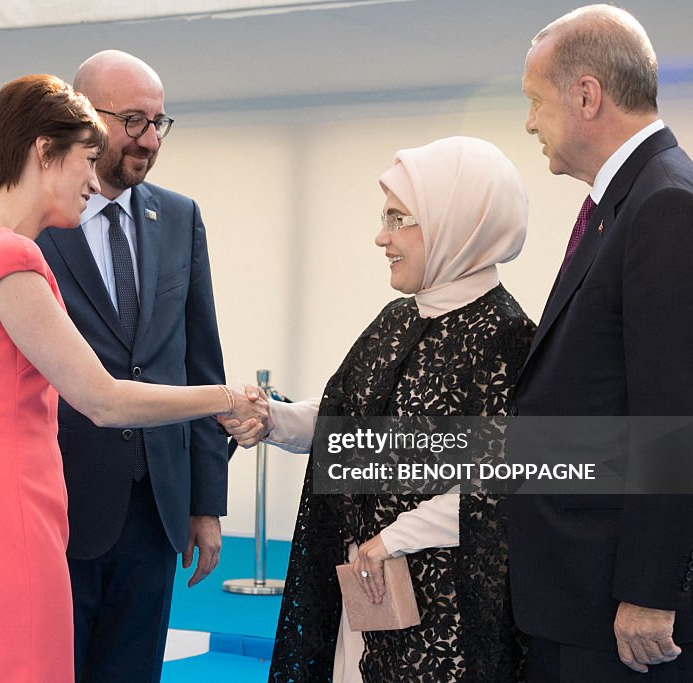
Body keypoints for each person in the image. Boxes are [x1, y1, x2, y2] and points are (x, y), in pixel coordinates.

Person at [0, 73, 265, 683]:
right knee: (28, 665)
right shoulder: (13, 256)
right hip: (19, 502)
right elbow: (102, 399)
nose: (91, 178)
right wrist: (227, 399)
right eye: (86, 157)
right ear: (44, 151)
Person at [222, 136, 535, 681]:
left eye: (398, 219)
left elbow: (504, 483)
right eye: (383, 218)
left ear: (456, 222)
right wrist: (273, 419)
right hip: (368, 594)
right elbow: (345, 423)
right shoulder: (397, 320)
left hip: (447, 615)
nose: (381, 237)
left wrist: (394, 538)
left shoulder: (506, 339)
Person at [507, 5, 693, 681]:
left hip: (623, 609)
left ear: (586, 96)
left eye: (536, 102)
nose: (530, 122)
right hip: (583, 591)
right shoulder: (632, 201)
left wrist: (651, 591)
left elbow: (683, 417)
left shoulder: (666, 205)